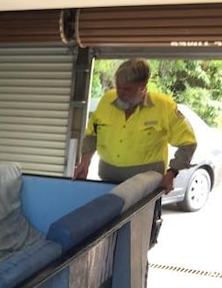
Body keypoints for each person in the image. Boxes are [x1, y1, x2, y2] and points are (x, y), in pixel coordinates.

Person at [73, 58, 198, 189]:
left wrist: (172, 173)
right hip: (108, 183)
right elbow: (92, 134)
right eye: (118, 87)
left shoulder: (164, 106)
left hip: (146, 187)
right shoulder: (107, 100)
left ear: (142, 86)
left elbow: (188, 144)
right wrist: (85, 162)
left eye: (127, 89)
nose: (120, 93)